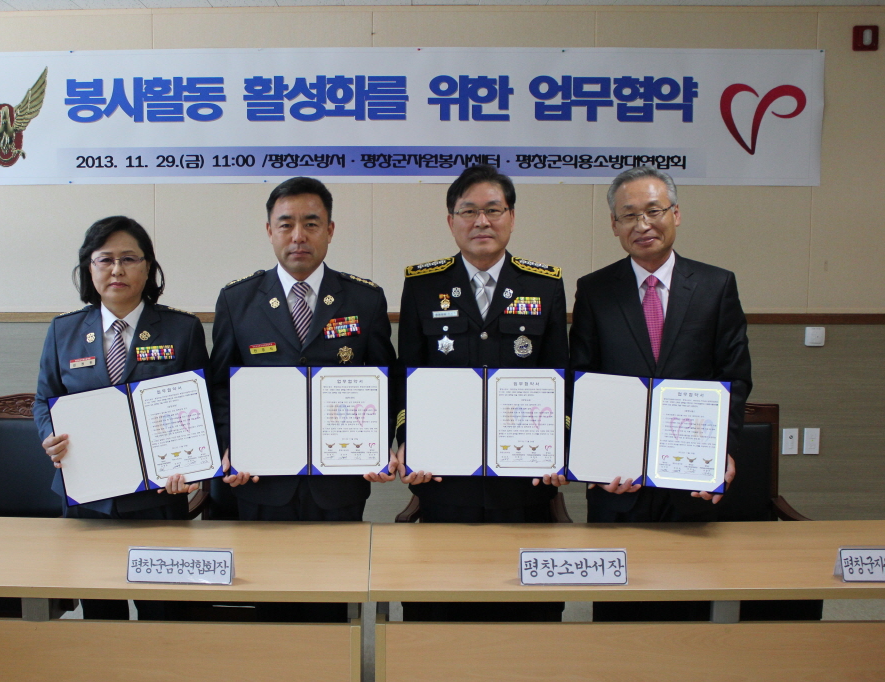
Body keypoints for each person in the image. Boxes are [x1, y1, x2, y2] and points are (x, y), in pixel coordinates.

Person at [569, 166, 752, 621]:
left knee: (686, 607)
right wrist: (592, 460)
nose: (643, 224)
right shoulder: (594, 290)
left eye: (654, 211)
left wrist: (722, 452)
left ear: (676, 214)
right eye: (629, 215)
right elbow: (581, 381)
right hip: (616, 485)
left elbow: (734, 377)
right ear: (614, 225)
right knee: (616, 612)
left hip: (689, 482)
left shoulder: (716, 286)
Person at [395, 163, 568, 622]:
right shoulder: (423, 285)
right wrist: (408, 441)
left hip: (525, 483)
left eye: (493, 210)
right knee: (441, 604)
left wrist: (560, 448)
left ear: (512, 216)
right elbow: (407, 376)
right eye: (468, 211)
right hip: (444, 480)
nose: (482, 221)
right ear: (450, 220)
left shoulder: (544, 284)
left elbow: (561, 378)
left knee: (526, 613)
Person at [33, 215, 210, 621]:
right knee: (100, 616)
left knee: (162, 613)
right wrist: (49, 436)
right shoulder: (64, 331)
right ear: (89, 268)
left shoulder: (181, 329)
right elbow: (44, 400)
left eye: (129, 259)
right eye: (105, 259)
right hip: (88, 498)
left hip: (158, 497)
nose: (117, 270)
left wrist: (193, 467)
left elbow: (200, 406)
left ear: (148, 268)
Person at [209, 176, 397, 525]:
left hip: (339, 482)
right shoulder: (237, 301)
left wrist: (379, 444)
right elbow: (220, 386)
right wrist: (229, 444)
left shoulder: (364, 299)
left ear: (330, 230)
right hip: (259, 478)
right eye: (286, 225)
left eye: (311, 224)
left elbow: (386, 381)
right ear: (270, 231)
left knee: (339, 560)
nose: (298, 236)